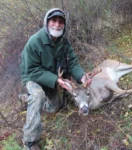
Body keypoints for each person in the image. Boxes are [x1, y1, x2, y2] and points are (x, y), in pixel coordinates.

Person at [20, 8, 91, 150]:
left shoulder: (63, 42)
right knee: (38, 94)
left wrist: (82, 76)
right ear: (47, 22)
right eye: (53, 21)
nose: (57, 25)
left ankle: (25, 99)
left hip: (51, 78)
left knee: (53, 108)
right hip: (33, 77)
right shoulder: (35, 41)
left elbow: (73, 63)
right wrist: (56, 80)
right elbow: (32, 70)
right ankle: (30, 141)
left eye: (61, 22)